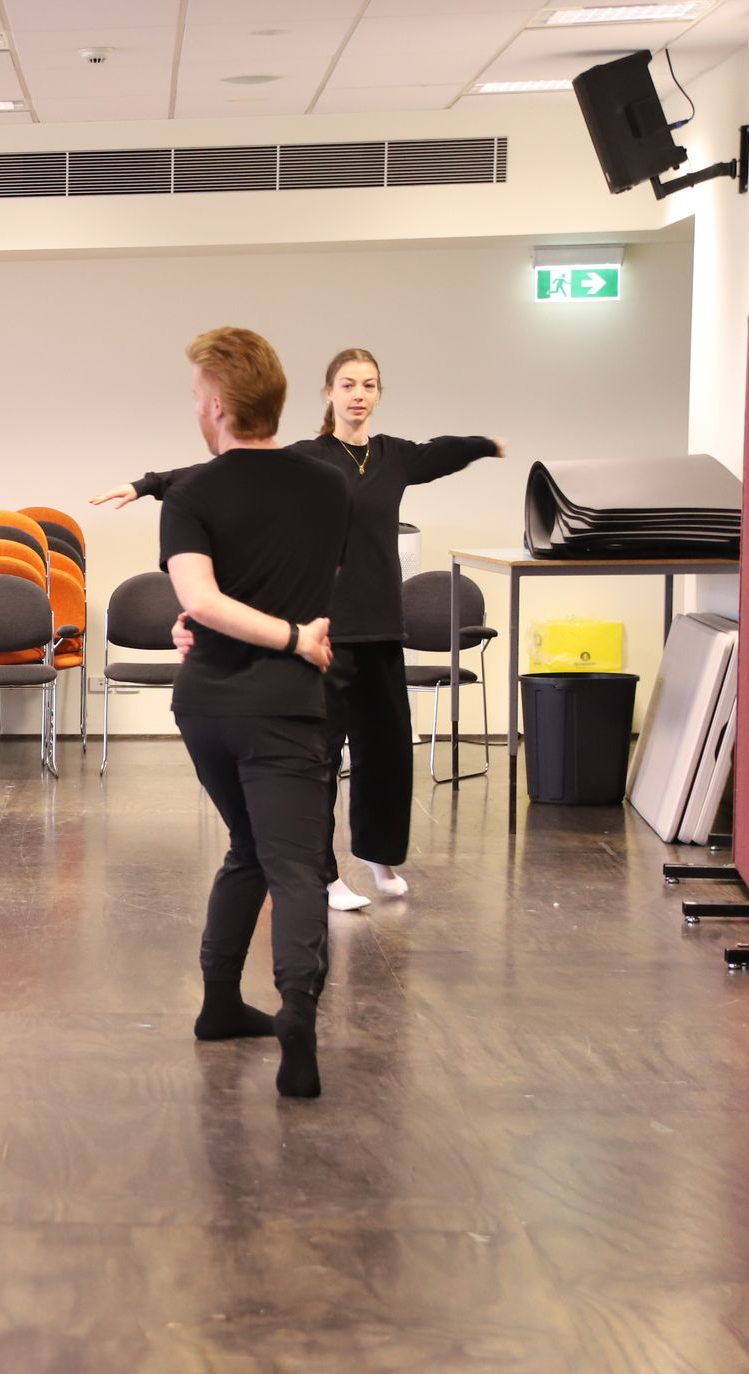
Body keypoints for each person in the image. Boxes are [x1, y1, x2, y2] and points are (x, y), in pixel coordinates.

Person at [93, 348, 502, 910]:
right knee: (319, 758)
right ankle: (323, 873)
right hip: (325, 630)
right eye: (348, 384)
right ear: (329, 392)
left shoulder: (394, 457)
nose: (359, 395)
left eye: (369, 385)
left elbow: (444, 451)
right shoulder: (308, 458)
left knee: (387, 753)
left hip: (383, 627)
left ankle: (379, 856)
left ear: (379, 394)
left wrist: (488, 445)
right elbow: (224, 472)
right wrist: (147, 485)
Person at [157, 327, 350, 1100]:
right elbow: (306, 584)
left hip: (207, 706)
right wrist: (296, 636)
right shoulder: (329, 487)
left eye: (196, 396)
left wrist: (207, 623)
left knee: (249, 846)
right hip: (286, 707)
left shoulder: (191, 494)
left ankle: (219, 1006)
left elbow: (203, 600)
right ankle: (296, 1009)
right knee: (294, 862)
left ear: (217, 405)